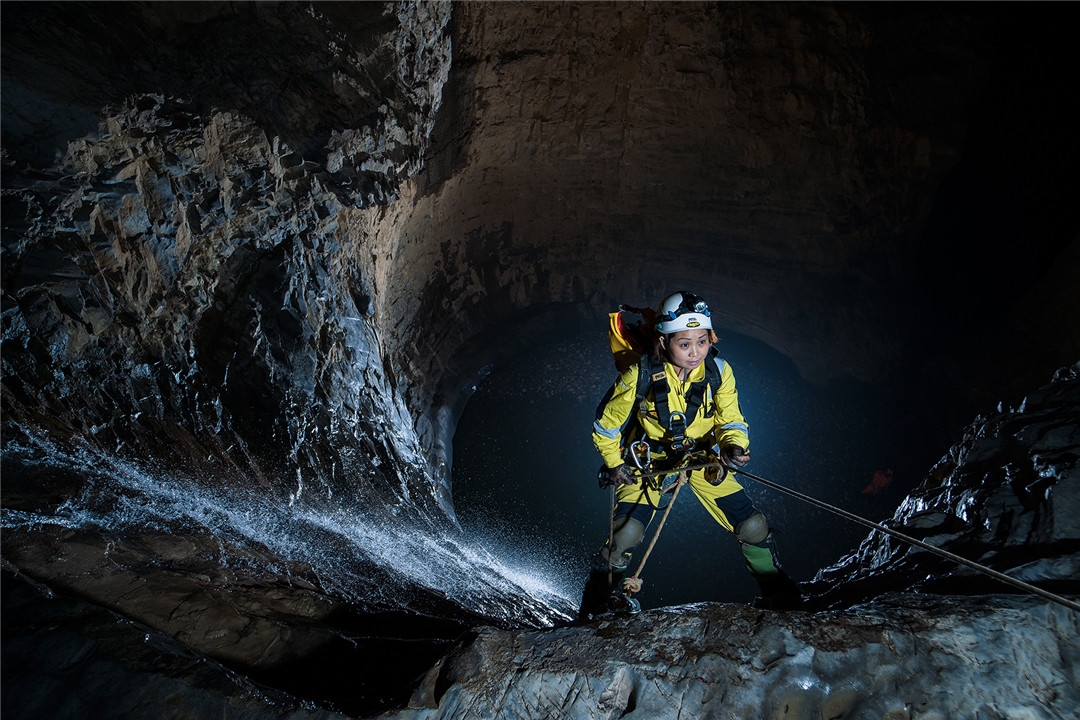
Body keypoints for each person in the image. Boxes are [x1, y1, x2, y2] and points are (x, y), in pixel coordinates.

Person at [578, 291, 802, 620]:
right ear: (664, 341)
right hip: (648, 462)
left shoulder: (718, 372)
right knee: (626, 534)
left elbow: (731, 419)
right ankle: (595, 606)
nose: (695, 352)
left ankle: (779, 592)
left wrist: (733, 446)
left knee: (753, 527)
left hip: (701, 459)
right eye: (685, 344)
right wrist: (615, 464)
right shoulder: (640, 374)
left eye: (702, 341)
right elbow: (606, 426)